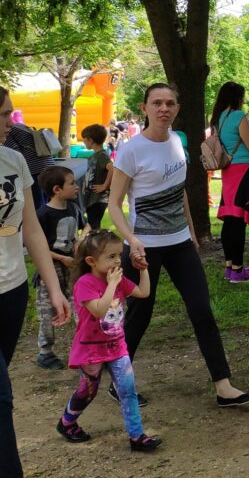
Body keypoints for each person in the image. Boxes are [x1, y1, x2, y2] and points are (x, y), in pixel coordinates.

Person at [108, 82, 249, 407]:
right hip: (143, 248)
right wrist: (132, 241)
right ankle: (118, 381)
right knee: (140, 315)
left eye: (170, 103)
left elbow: (181, 193)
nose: (164, 108)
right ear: (145, 107)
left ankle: (224, 386)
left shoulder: (178, 142)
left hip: (179, 244)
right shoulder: (132, 149)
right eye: (157, 103)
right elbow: (113, 204)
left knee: (202, 310)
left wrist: (191, 233)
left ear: (177, 108)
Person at [0, 85, 71, 478]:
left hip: (10, 293)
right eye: (4, 115)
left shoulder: (13, 160)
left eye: (11, 113)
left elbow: (32, 231)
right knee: (1, 397)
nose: (11, 123)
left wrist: (55, 288)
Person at [57, 229, 161, 451]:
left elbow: (143, 292)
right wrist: (112, 284)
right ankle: (67, 422)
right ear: (91, 261)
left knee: (128, 389)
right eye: (111, 257)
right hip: (90, 349)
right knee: (88, 391)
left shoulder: (117, 279)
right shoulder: (85, 283)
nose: (118, 260)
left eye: (119, 255)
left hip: (116, 345)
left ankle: (137, 436)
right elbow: (98, 310)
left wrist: (144, 270)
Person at [210, 82, 249, 283]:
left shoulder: (218, 118)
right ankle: (238, 270)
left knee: (230, 218)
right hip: (243, 169)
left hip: (228, 170)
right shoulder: (237, 116)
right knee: (238, 221)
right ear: (237, 98)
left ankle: (230, 267)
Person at [34, 166, 89, 370]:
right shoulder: (43, 214)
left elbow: (87, 226)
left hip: (72, 268)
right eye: (72, 183)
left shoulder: (73, 208)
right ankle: (45, 352)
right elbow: (36, 247)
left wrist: (80, 241)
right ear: (57, 189)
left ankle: (85, 348)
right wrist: (61, 258)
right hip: (50, 270)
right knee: (48, 312)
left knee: (80, 306)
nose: (76, 187)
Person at [3, 119, 55, 209]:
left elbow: (15, 153)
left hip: (35, 169)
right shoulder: (20, 126)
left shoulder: (7, 131)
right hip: (50, 166)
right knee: (49, 202)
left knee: (38, 204)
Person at [81, 124, 113, 229]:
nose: (84, 142)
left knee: (93, 227)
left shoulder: (102, 155)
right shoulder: (95, 155)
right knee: (92, 226)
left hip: (98, 200)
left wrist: (105, 186)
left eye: (84, 140)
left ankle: (94, 245)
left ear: (91, 140)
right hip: (92, 199)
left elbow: (113, 168)